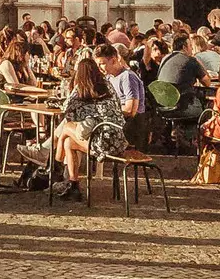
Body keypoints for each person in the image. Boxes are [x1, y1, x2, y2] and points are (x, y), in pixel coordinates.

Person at [38, 55, 124, 201]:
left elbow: (66, 108)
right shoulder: (107, 85)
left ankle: (54, 168)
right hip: (117, 140)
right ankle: (73, 184)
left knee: (66, 127)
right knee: (68, 143)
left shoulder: (81, 88)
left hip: (101, 143)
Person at [95, 43, 146, 119]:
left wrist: (108, 108)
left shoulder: (127, 77)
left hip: (131, 123)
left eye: (102, 64)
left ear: (113, 60)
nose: (99, 68)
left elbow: (130, 110)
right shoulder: (109, 77)